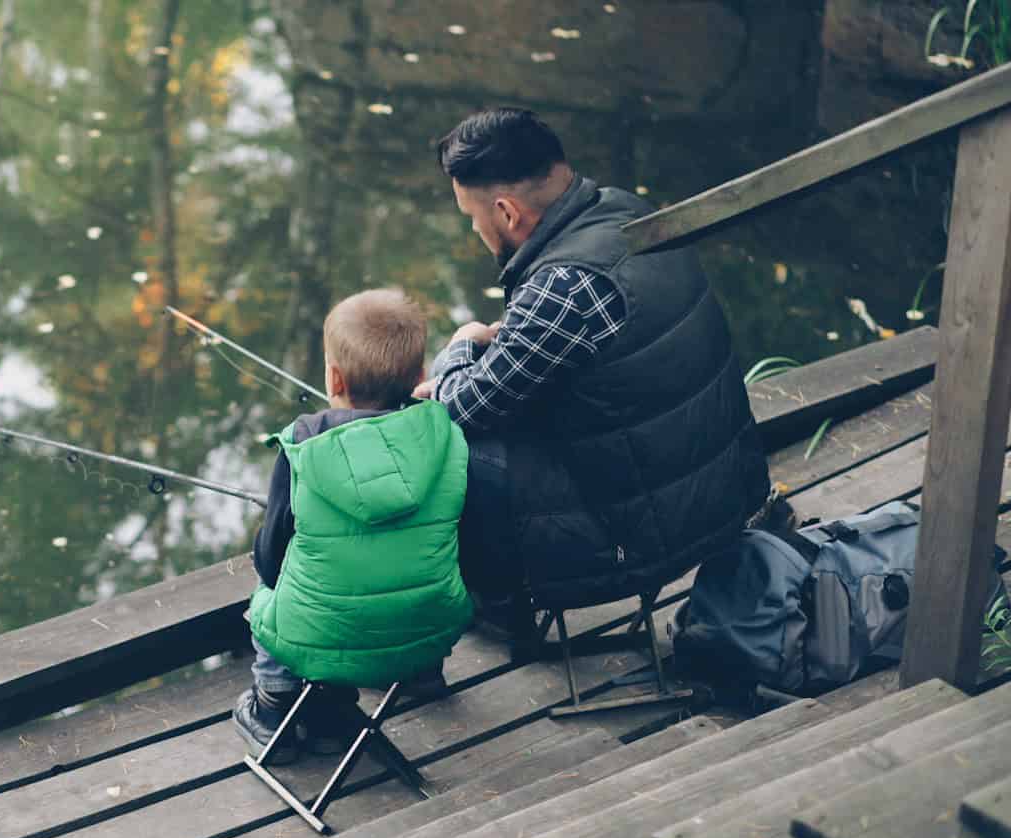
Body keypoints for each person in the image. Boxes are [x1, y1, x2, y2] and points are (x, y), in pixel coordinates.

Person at [414, 107, 768, 622]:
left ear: (508, 213)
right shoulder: (626, 212)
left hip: (646, 534)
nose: (475, 230)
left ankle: (499, 603)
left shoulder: (566, 286)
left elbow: (462, 410)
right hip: (716, 493)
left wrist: (461, 348)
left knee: (438, 445)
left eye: (474, 218)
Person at [233, 289, 475, 763]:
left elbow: (271, 560)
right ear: (420, 376)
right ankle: (417, 676)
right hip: (431, 630)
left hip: (320, 639)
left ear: (334, 376)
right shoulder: (446, 435)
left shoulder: (302, 445)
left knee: (268, 594)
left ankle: (276, 707)